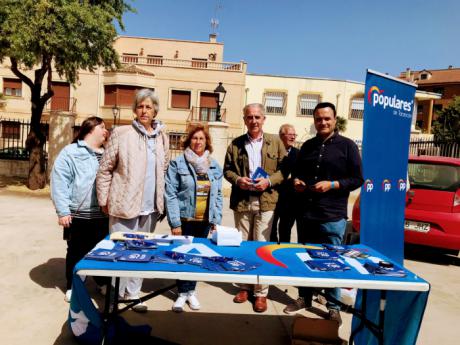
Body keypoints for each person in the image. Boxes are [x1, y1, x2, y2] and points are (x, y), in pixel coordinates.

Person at [284, 102, 363, 325]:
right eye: (319, 119)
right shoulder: (307, 146)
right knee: (305, 259)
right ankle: (304, 298)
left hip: (333, 216)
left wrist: (334, 184)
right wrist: (297, 182)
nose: (323, 122)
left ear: (335, 120)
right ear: (314, 121)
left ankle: (333, 306)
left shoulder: (348, 146)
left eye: (327, 118)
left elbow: (357, 179)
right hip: (307, 213)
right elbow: (297, 174)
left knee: (331, 263)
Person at [97, 89, 169, 312]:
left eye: (148, 106)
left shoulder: (162, 136)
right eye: (140, 106)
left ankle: (133, 294)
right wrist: (104, 199)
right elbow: (105, 168)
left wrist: (161, 200)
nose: (144, 110)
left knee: (143, 251)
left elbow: (164, 167)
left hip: (150, 207)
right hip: (123, 204)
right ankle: (115, 296)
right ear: (135, 110)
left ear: (155, 109)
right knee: (121, 251)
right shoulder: (121, 133)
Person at [223, 103, 286, 313]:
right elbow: (227, 170)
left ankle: (261, 293)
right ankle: (243, 287)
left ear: (264, 119)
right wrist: (238, 179)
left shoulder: (276, 142)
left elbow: (285, 170)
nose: (254, 121)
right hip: (242, 200)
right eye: (249, 117)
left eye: (257, 117)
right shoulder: (236, 144)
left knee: (261, 247)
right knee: (242, 245)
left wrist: (269, 181)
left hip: (267, 201)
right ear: (244, 120)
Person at [165, 124, 223, 312]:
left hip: (204, 220)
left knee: (196, 256)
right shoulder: (178, 164)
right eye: (195, 138)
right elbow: (170, 193)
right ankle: (182, 293)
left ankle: (191, 291)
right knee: (182, 256)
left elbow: (219, 194)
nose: (198, 142)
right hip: (184, 219)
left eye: (202, 138)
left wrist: (216, 219)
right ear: (189, 140)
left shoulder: (213, 165)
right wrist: (174, 222)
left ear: (207, 142)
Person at [51, 116, 109, 303]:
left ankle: (102, 282)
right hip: (78, 213)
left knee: (103, 251)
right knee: (76, 250)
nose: (106, 130)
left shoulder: (107, 153)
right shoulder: (70, 152)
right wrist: (63, 211)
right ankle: (73, 285)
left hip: (104, 214)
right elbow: (59, 181)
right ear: (90, 129)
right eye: (102, 127)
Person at [270, 124, 300, 243]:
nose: (293, 137)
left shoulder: (298, 153)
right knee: (270, 228)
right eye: (290, 134)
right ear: (281, 136)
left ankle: (282, 252)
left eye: (294, 135)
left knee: (285, 229)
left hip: (290, 199)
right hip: (273, 195)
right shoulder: (273, 151)